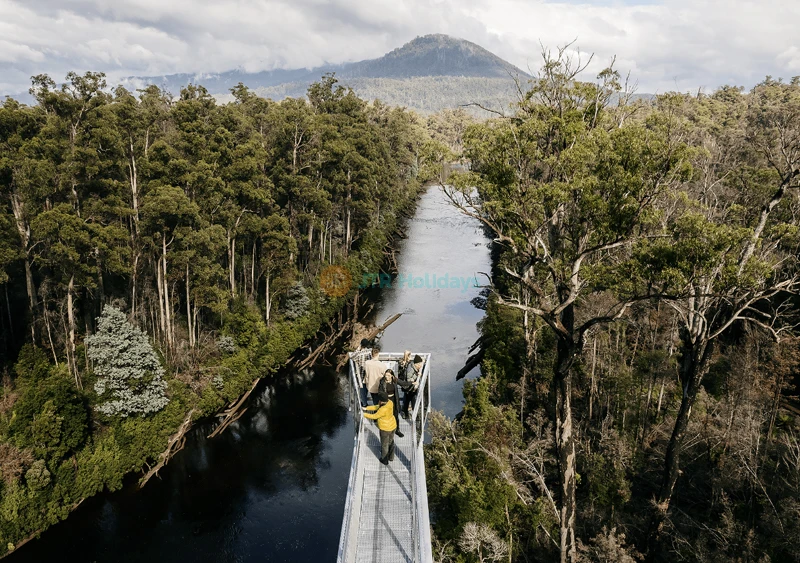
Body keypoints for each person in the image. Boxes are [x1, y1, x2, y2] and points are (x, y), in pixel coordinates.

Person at [362, 391, 396, 465]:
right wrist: (366, 408)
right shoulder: (390, 402)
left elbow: (374, 416)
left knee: (384, 444)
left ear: (381, 401)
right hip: (393, 426)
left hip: (385, 429)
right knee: (391, 442)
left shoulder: (382, 410)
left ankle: (384, 460)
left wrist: (364, 414)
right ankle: (391, 457)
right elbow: (377, 406)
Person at [379, 368, 413, 437]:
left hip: (394, 399)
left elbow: (403, 383)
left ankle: (397, 430)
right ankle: (387, 430)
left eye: (388, 375)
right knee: (387, 416)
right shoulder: (382, 382)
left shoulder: (394, 380)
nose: (386, 377)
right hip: (386, 401)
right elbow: (380, 392)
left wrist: (412, 383)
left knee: (395, 415)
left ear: (392, 376)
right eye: (386, 375)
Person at [402, 354, 424, 419]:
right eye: (420, 365)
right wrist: (417, 375)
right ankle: (413, 416)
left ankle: (409, 414)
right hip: (408, 388)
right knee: (410, 401)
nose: (420, 366)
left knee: (408, 401)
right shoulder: (410, 369)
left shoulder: (413, 365)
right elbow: (409, 380)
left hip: (411, 388)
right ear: (416, 364)